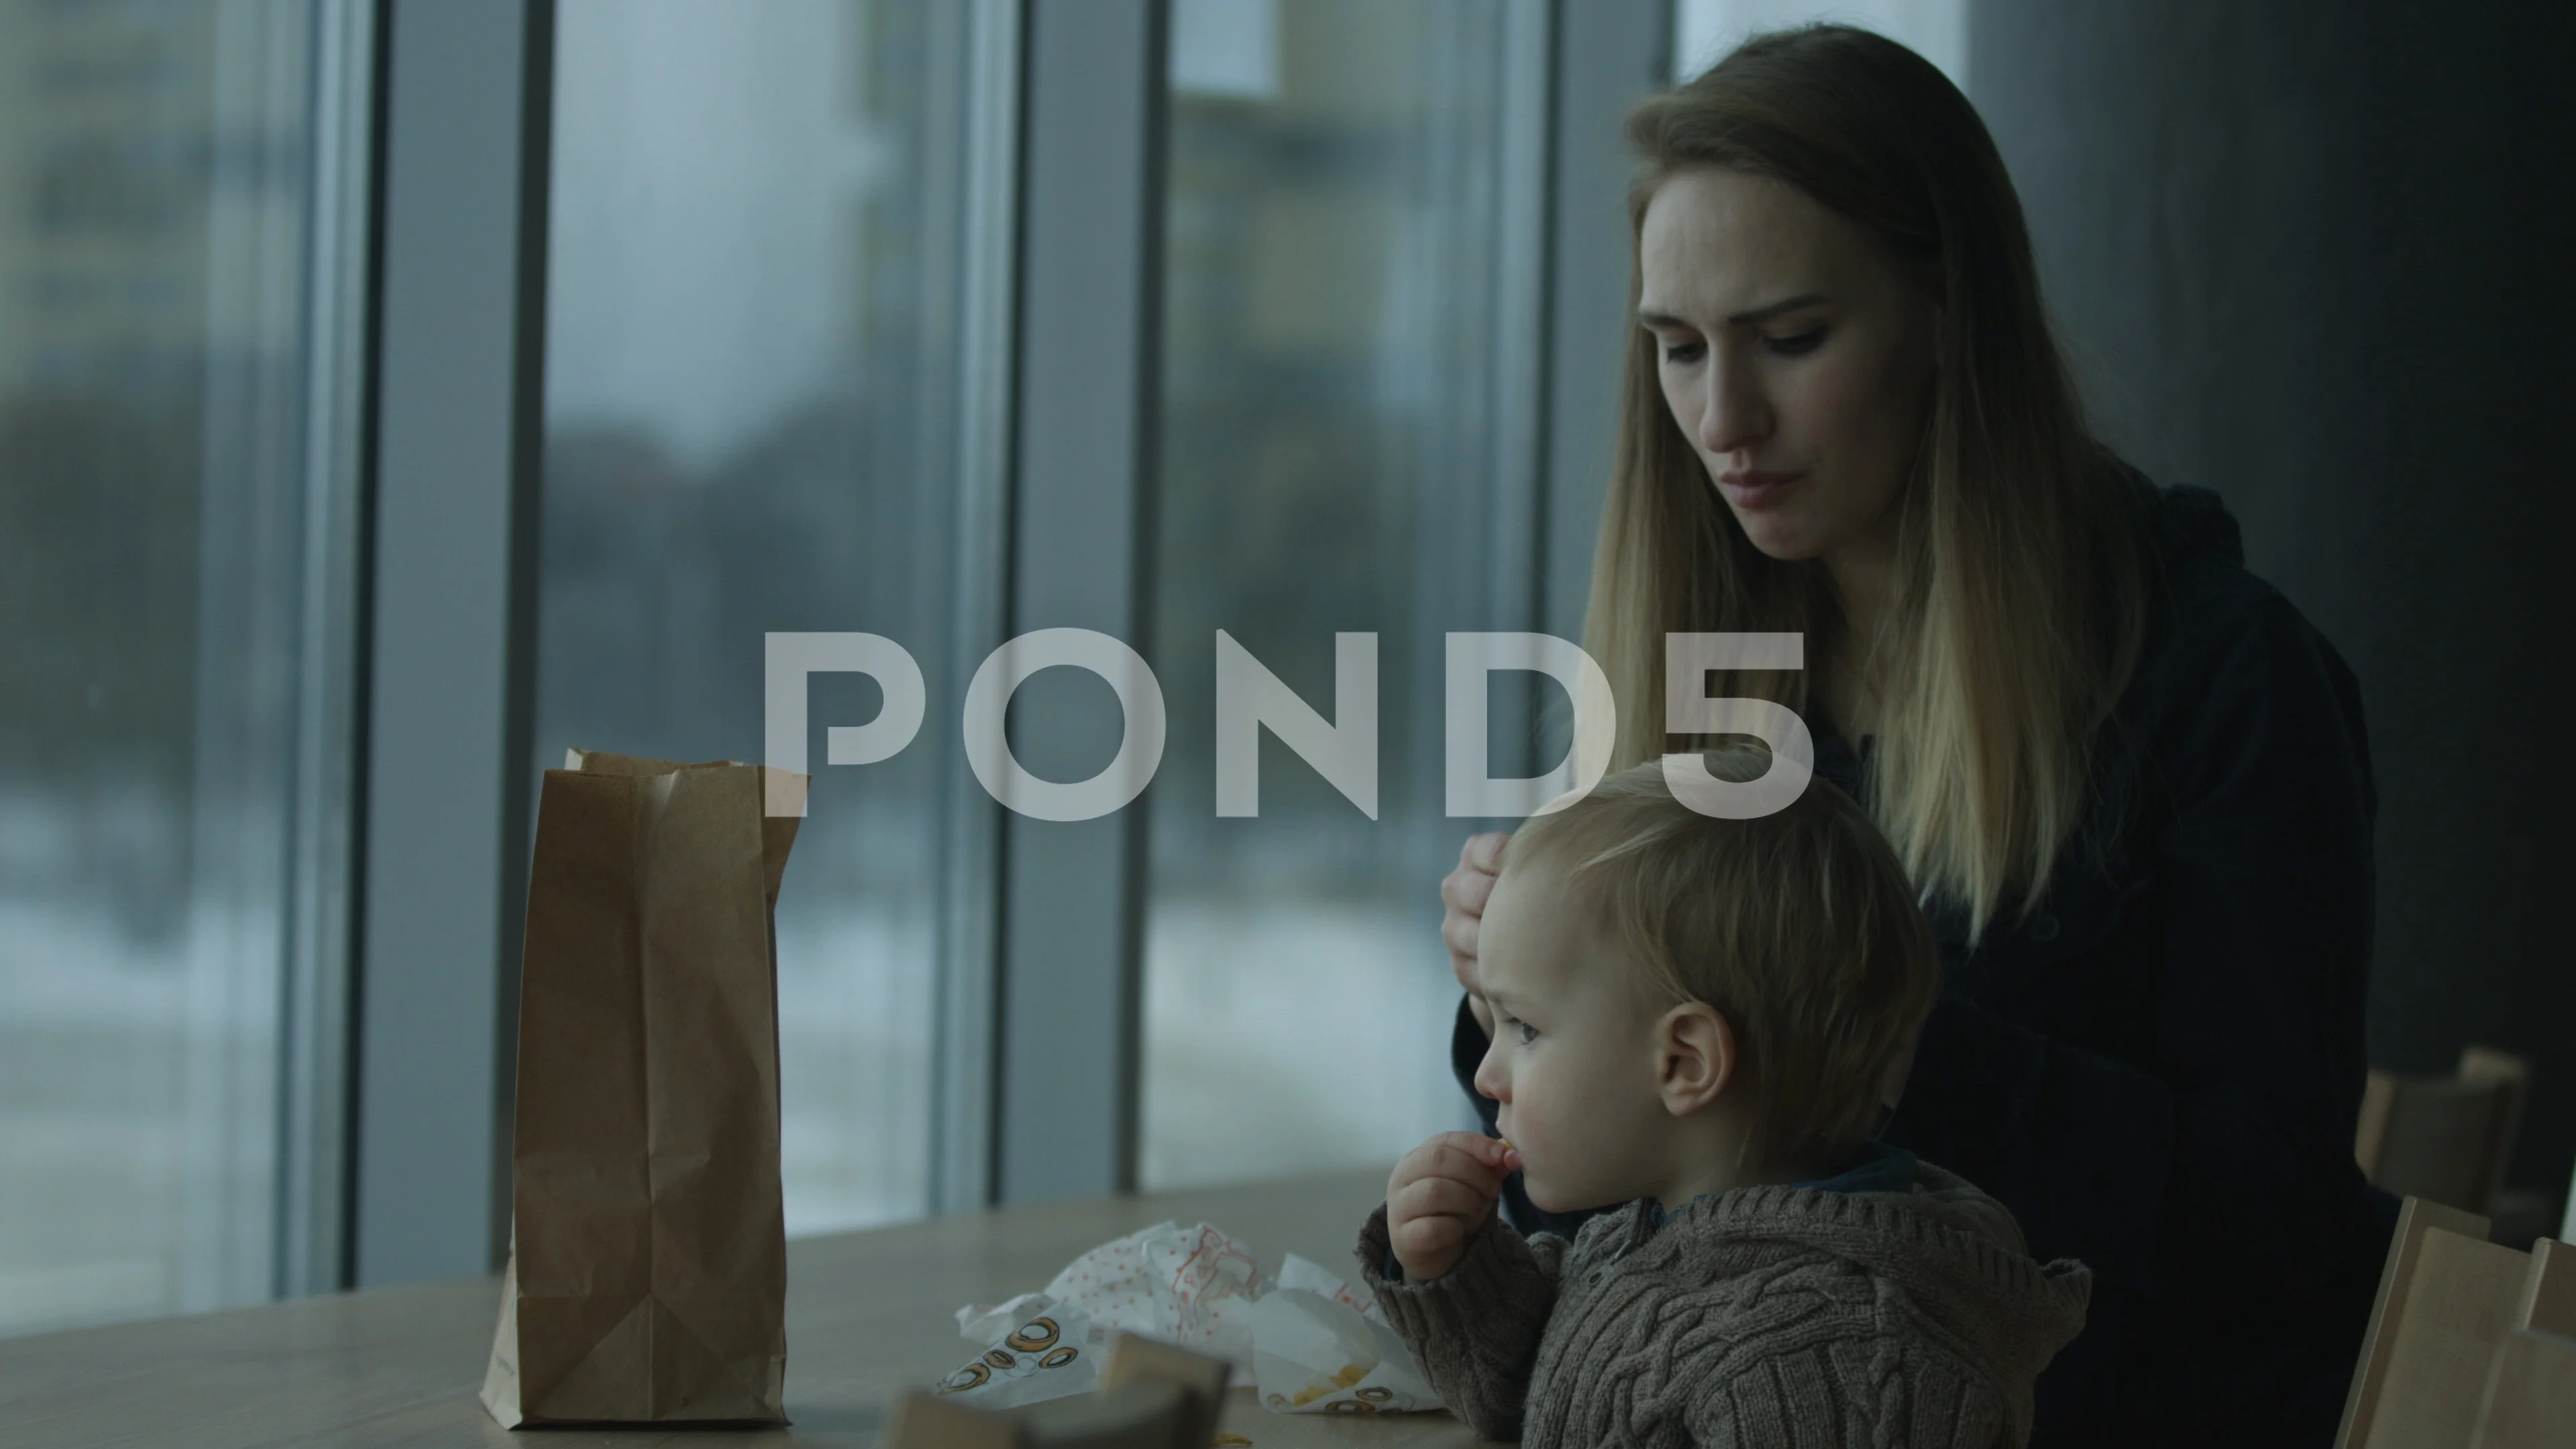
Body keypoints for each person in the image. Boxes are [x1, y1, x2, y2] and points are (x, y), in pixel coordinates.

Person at [1436, 25, 2395, 1446]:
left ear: (1953, 314)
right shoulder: (1709, 666)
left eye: (1793, 339)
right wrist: (1525, 1003)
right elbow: (1603, 1215)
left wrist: (1860, 1035)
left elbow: (2282, 1225)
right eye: (1679, 351)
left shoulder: (2225, 678)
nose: (1721, 419)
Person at [1364, 752, 2091, 1446]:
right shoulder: (1651, 1241)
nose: (1488, 1075)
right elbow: (1535, 1393)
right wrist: (1456, 1269)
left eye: (1524, 1026)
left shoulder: (1831, 1357)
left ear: (1685, 1061)